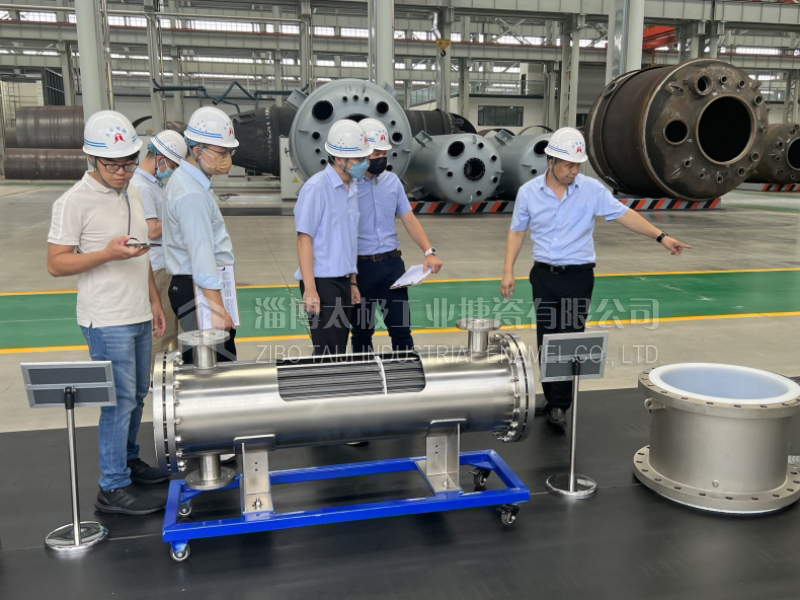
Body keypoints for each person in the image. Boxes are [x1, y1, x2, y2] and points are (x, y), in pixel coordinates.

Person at [499, 127, 692, 433]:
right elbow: (517, 231)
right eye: (568, 165)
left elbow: (624, 215)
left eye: (578, 165)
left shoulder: (591, 190)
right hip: (543, 276)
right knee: (547, 339)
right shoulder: (529, 192)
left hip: (578, 277)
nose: (574, 171)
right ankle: (551, 397)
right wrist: (508, 270)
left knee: (568, 340)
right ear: (550, 161)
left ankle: (561, 405)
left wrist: (661, 236)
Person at [47, 110, 168, 515]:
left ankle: (129, 462)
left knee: (137, 394)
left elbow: (140, 254)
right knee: (117, 401)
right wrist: (105, 254)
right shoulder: (73, 202)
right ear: (91, 159)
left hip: (137, 311)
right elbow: (56, 263)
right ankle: (112, 486)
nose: (122, 172)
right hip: (106, 317)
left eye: (129, 163)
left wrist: (154, 301)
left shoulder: (132, 192)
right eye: (113, 165)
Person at [350, 118, 443, 354]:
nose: (380, 158)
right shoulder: (348, 185)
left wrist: (429, 251)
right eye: (375, 153)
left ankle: (405, 372)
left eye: (384, 152)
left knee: (401, 330)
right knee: (361, 332)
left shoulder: (392, 182)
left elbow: (409, 218)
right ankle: (365, 373)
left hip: (392, 266)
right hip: (360, 268)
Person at [163, 107, 239, 364]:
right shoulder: (192, 194)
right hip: (198, 293)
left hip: (197, 289)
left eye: (229, 152)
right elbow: (201, 254)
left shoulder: (191, 182)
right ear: (197, 150)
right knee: (213, 370)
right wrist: (217, 309)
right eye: (222, 152)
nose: (227, 159)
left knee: (203, 364)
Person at [295, 119, 372, 356]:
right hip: (321, 282)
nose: (365, 164)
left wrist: (352, 282)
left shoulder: (352, 188)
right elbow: (304, 239)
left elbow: (348, 241)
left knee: (336, 347)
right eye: (359, 159)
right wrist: (310, 289)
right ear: (339, 159)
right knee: (328, 351)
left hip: (342, 281)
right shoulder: (317, 188)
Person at [130, 130, 187, 368]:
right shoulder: (141, 186)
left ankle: (164, 372)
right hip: (157, 266)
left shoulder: (153, 184)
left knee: (170, 328)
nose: (170, 170)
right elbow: (151, 230)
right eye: (171, 165)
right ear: (160, 158)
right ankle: (156, 375)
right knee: (163, 330)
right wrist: (180, 215)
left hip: (165, 262)